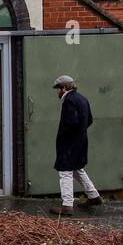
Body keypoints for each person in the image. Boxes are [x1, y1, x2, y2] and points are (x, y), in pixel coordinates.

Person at [51, 75, 102, 216]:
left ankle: (67, 206)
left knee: (65, 172)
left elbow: (71, 122)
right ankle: (94, 196)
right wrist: (80, 132)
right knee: (77, 169)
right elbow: (89, 120)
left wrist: (66, 137)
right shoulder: (82, 99)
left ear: (64, 88)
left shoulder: (69, 101)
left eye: (58, 89)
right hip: (80, 141)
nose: (57, 92)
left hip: (69, 144)